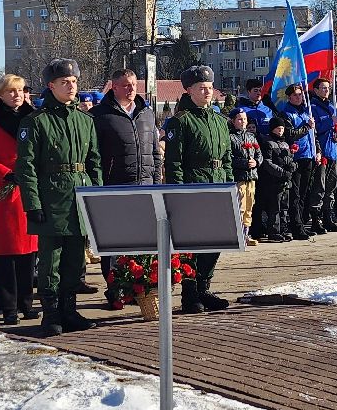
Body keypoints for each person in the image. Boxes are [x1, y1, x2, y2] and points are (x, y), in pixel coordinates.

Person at [12, 59, 100, 336]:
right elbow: (25, 167)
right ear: (51, 85)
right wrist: (33, 204)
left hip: (79, 197)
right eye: (64, 82)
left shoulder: (84, 120)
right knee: (51, 261)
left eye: (73, 81)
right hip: (51, 199)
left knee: (75, 259)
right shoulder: (35, 122)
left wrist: (97, 197)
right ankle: (50, 314)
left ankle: (69, 310)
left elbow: (94, 162)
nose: (71, 86)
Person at [162, 65, 235, 311]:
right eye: (202, 88)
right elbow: (174, 163)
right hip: (193, 186)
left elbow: (226, 158)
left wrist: (230, 185)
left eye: (210, 87)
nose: (207, 92)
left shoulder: (219, 121)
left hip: (218, 186)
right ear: (189, 90)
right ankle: (190, 292)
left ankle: (204, 288)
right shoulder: (181, 121)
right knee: (192, 243)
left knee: (215, 241)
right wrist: (178, 195)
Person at [90, 68, 163, 305]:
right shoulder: (99, 115)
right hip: (116, 187)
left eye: (133, 84)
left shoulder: (146, 113)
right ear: (114, 88)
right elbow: (95, 155)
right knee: (115, 242)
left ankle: (137, 288)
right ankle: (115, 289)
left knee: (141, 241)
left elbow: (155, 151)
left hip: (146, 186)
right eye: (125, 85)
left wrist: (157, 181)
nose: (131, 89)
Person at [0, 75, 40, 326]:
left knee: (29, 251)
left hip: (30, 188)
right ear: (0, 94)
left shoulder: (32, 117)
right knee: (7, 251)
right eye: (11, 91)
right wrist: (6, 174)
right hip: (5, 190)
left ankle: (27, 303)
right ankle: (8, 306)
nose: (17, 95)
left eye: (21, 90)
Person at [275, 83, 320, 238]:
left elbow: (313, 135)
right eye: (295, 95)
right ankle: (296, 226)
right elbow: (290, 134)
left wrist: (318, 151)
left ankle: (302, 223)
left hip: (308, 155)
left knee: (304, 193)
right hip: (295, 157)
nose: (298, 97)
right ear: (289, 97)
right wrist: (307, 126)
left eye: (300, 94)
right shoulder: (286, 114)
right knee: (295, 194)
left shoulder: (306, 112)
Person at [256, 114, 298, 242]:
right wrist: (282, 173)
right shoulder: (268, 143)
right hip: (274, 181)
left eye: (282, 129)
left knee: (284, 207)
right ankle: (274, 231)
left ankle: (283, 230)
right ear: (272, 129)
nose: (280, 131)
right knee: (275, 207)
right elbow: (267, 163)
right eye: (278, 128)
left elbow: (290, 160)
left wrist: (293, 166)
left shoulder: (285, 144)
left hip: (286, 180)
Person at [309, 78, 337, 231]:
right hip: (321, 151)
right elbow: (316, 129)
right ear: (316, 90)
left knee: (331, 186)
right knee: (320, 186)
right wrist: (330, 122)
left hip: (333, 152)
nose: (326, 90)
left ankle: (328, 216)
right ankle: (316, 219)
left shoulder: (332, 107)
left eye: (328, 88)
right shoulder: (312, 107)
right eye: (323, 88)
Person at [228, 107, 261, 243]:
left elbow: (259, 154)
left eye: (245, 119)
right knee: (239, 207)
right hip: (239, 177)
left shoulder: (251, 136)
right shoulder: (230, 137)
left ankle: (246, 234)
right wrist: (244, 163)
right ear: (233, 121)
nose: (243, 122)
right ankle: (238, 235)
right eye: (240, 119)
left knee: (249, 206)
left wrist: (256, 162)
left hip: (251, 176)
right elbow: (229, 157)